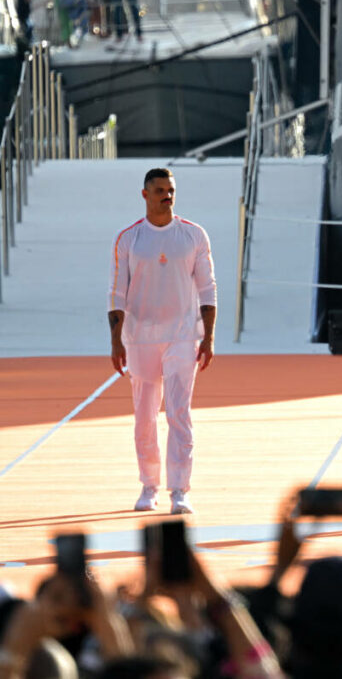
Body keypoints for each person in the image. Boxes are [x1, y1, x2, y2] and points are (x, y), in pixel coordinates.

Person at [108, 168, 216, 515]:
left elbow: (207, 287)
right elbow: (117, 293)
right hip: (140, 338)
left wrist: (208, 335)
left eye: (170, 190)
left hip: (183, 335)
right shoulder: (129, 239)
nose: (166, 196)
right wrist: (116, 341)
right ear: (145, 194)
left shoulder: (194, 235)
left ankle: (180, 490)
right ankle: (148, 484)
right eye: (159, 190)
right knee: (144, 415)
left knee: (178, 412)